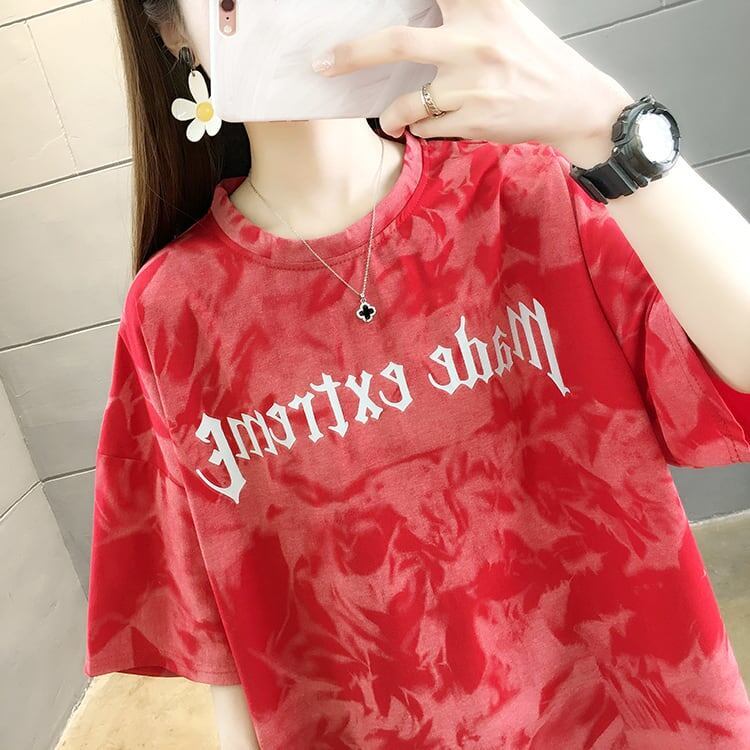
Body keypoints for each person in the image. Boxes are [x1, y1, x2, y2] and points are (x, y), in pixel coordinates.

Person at [84, 0, 750, 748]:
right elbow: (225, 628)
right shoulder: (174, 312)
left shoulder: (527, 188)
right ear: (172, 28)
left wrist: (604, 123)